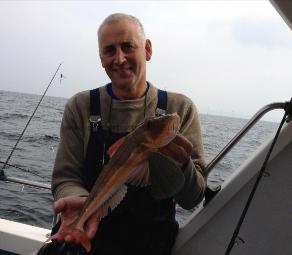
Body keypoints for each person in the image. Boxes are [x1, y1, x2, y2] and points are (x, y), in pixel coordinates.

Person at [51, 13, 206, 255]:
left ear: (147, 49)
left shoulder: (180, 109)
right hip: (87, 245)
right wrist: (80, 202)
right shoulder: (80, 106)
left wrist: (182, 163)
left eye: (127, 46)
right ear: (101, 58)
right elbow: (65, 177)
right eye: (109, 50)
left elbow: (192, 199)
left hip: (152, 246)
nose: (119, 58)